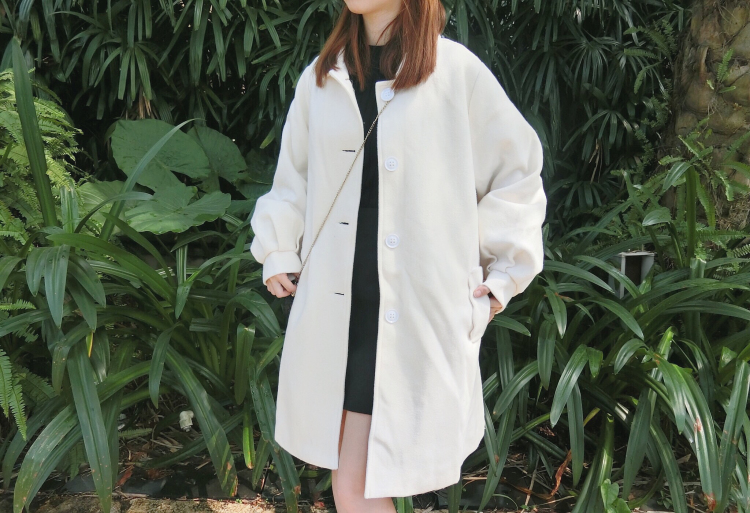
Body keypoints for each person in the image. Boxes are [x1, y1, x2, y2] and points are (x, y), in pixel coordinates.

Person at [248, 0, 547, 509]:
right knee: (353, 479)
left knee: (354, 482)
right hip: (340, 307)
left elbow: (516, 173)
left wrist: (503, 276)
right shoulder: (322, 77)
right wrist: (278, 248)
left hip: (415, 307)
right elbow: (293, 177)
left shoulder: (455, 72)